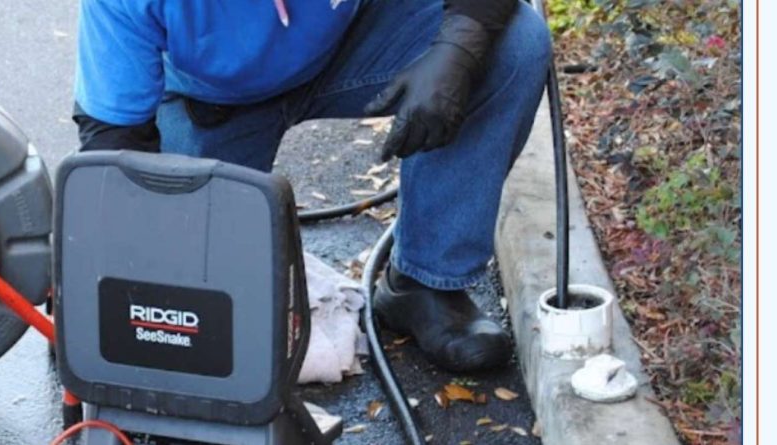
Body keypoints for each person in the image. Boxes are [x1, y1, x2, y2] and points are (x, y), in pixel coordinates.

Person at [72, 0, 552, 372]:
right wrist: (100, 277)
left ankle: (425, 281)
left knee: (514, 44)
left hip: (350, 46)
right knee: (191, 317)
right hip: (212, 104)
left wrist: (458, 53)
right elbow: (114, 142)